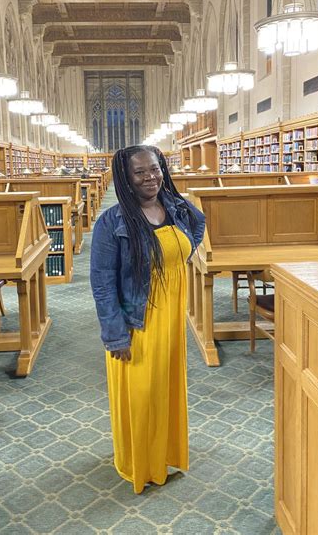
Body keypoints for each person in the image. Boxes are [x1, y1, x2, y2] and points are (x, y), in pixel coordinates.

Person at [90, 145, 206, 494]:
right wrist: (115, 336)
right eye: (139, 172)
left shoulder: (174, 206)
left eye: (154, 169)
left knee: (166, 390)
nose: (150, 177)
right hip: (136, 325)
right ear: (125, 177)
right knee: (141, 397)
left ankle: (165, 454)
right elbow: (102, 284)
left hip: (170, 317)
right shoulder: (112, 222)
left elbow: (197, 227)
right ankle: (140, 464)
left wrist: (179, 258)